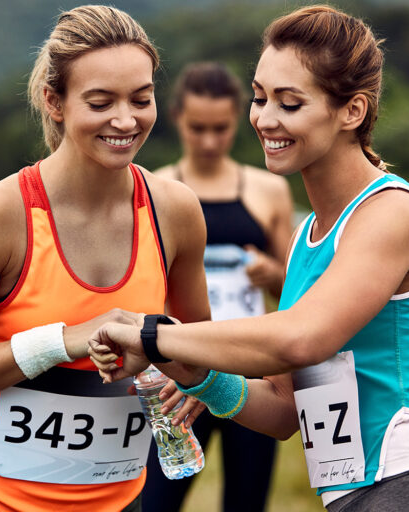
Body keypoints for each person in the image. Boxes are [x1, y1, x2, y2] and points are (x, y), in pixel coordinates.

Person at [89, 5, 409, 511]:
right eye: (260, 98)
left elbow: (301, 338)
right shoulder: (309, 234)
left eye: (289, 103)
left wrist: (155, 336)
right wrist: (190, 369)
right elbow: (284, 410)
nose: (265, 119)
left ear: (352, 111)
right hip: (356, 497)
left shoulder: (391, 212)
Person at [0, 5, 211, 512]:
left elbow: (200, 349)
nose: (125, 120)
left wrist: (192, 376)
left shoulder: (175, 211)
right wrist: (63, 341)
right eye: (100, 102)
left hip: (119, 502)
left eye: (142, 99)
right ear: (55, 101)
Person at [147, 61, 293, 512]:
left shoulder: (268, 190)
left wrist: (273, 275)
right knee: (155, 499)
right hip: (179, 371)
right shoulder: (155, 187)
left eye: (221, 129)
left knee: (246, 501)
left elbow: (300, 296)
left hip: (250, 373)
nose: (209, 141)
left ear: (239, 120)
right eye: (197, 128)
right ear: (176, 119)